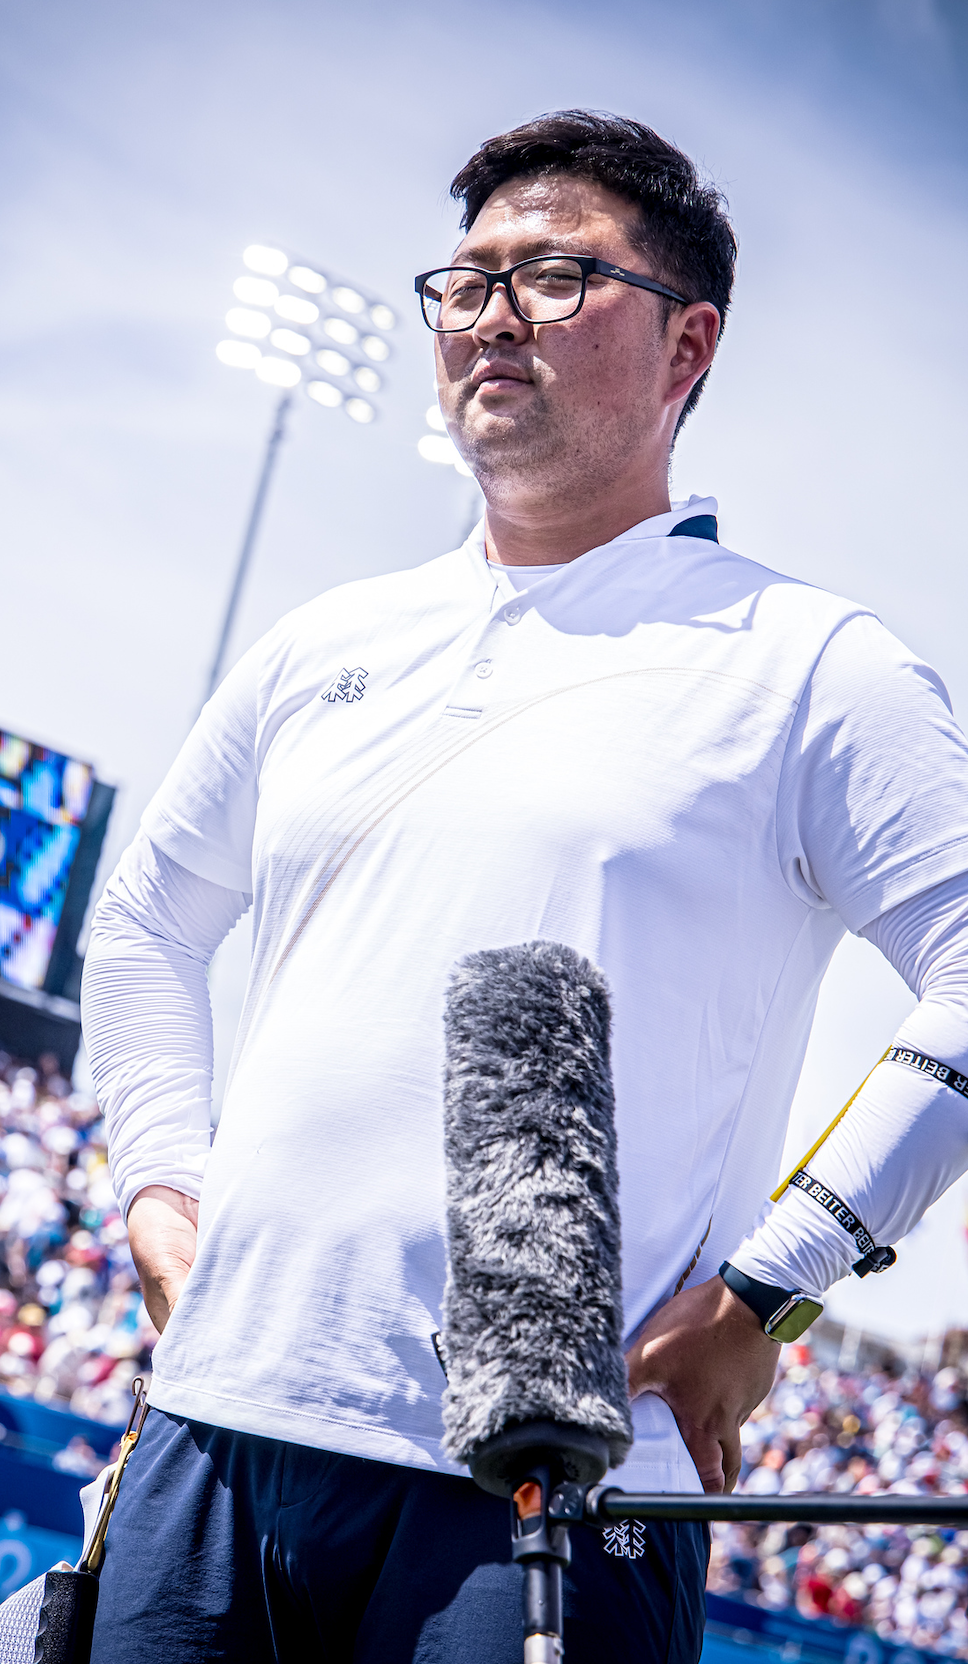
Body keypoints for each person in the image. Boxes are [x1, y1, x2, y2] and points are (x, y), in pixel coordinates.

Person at [81, 109, 968, 1663]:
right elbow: (147, 923)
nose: (491, 313)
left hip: (554, 1479)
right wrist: (159, 1187)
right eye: (466, 279)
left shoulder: (810, 666)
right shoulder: (321, 642)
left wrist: (773, 1286)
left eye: (555, 276)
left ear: (688, 343)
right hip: (213, 1423)